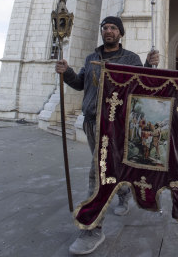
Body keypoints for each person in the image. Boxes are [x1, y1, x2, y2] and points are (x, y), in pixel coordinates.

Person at [55, 16, 159, 255]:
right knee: (106, 168)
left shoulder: (130, 58)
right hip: (91, 123)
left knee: (97, 173)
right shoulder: (92, 58)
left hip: (116, 125)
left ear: (120, 33)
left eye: (113, 28)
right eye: (105, 28)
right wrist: (67, 71)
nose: (108, 31)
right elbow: (81, 84)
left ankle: (92, 228)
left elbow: (142, 85)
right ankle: (123, 194)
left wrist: (148, 65)